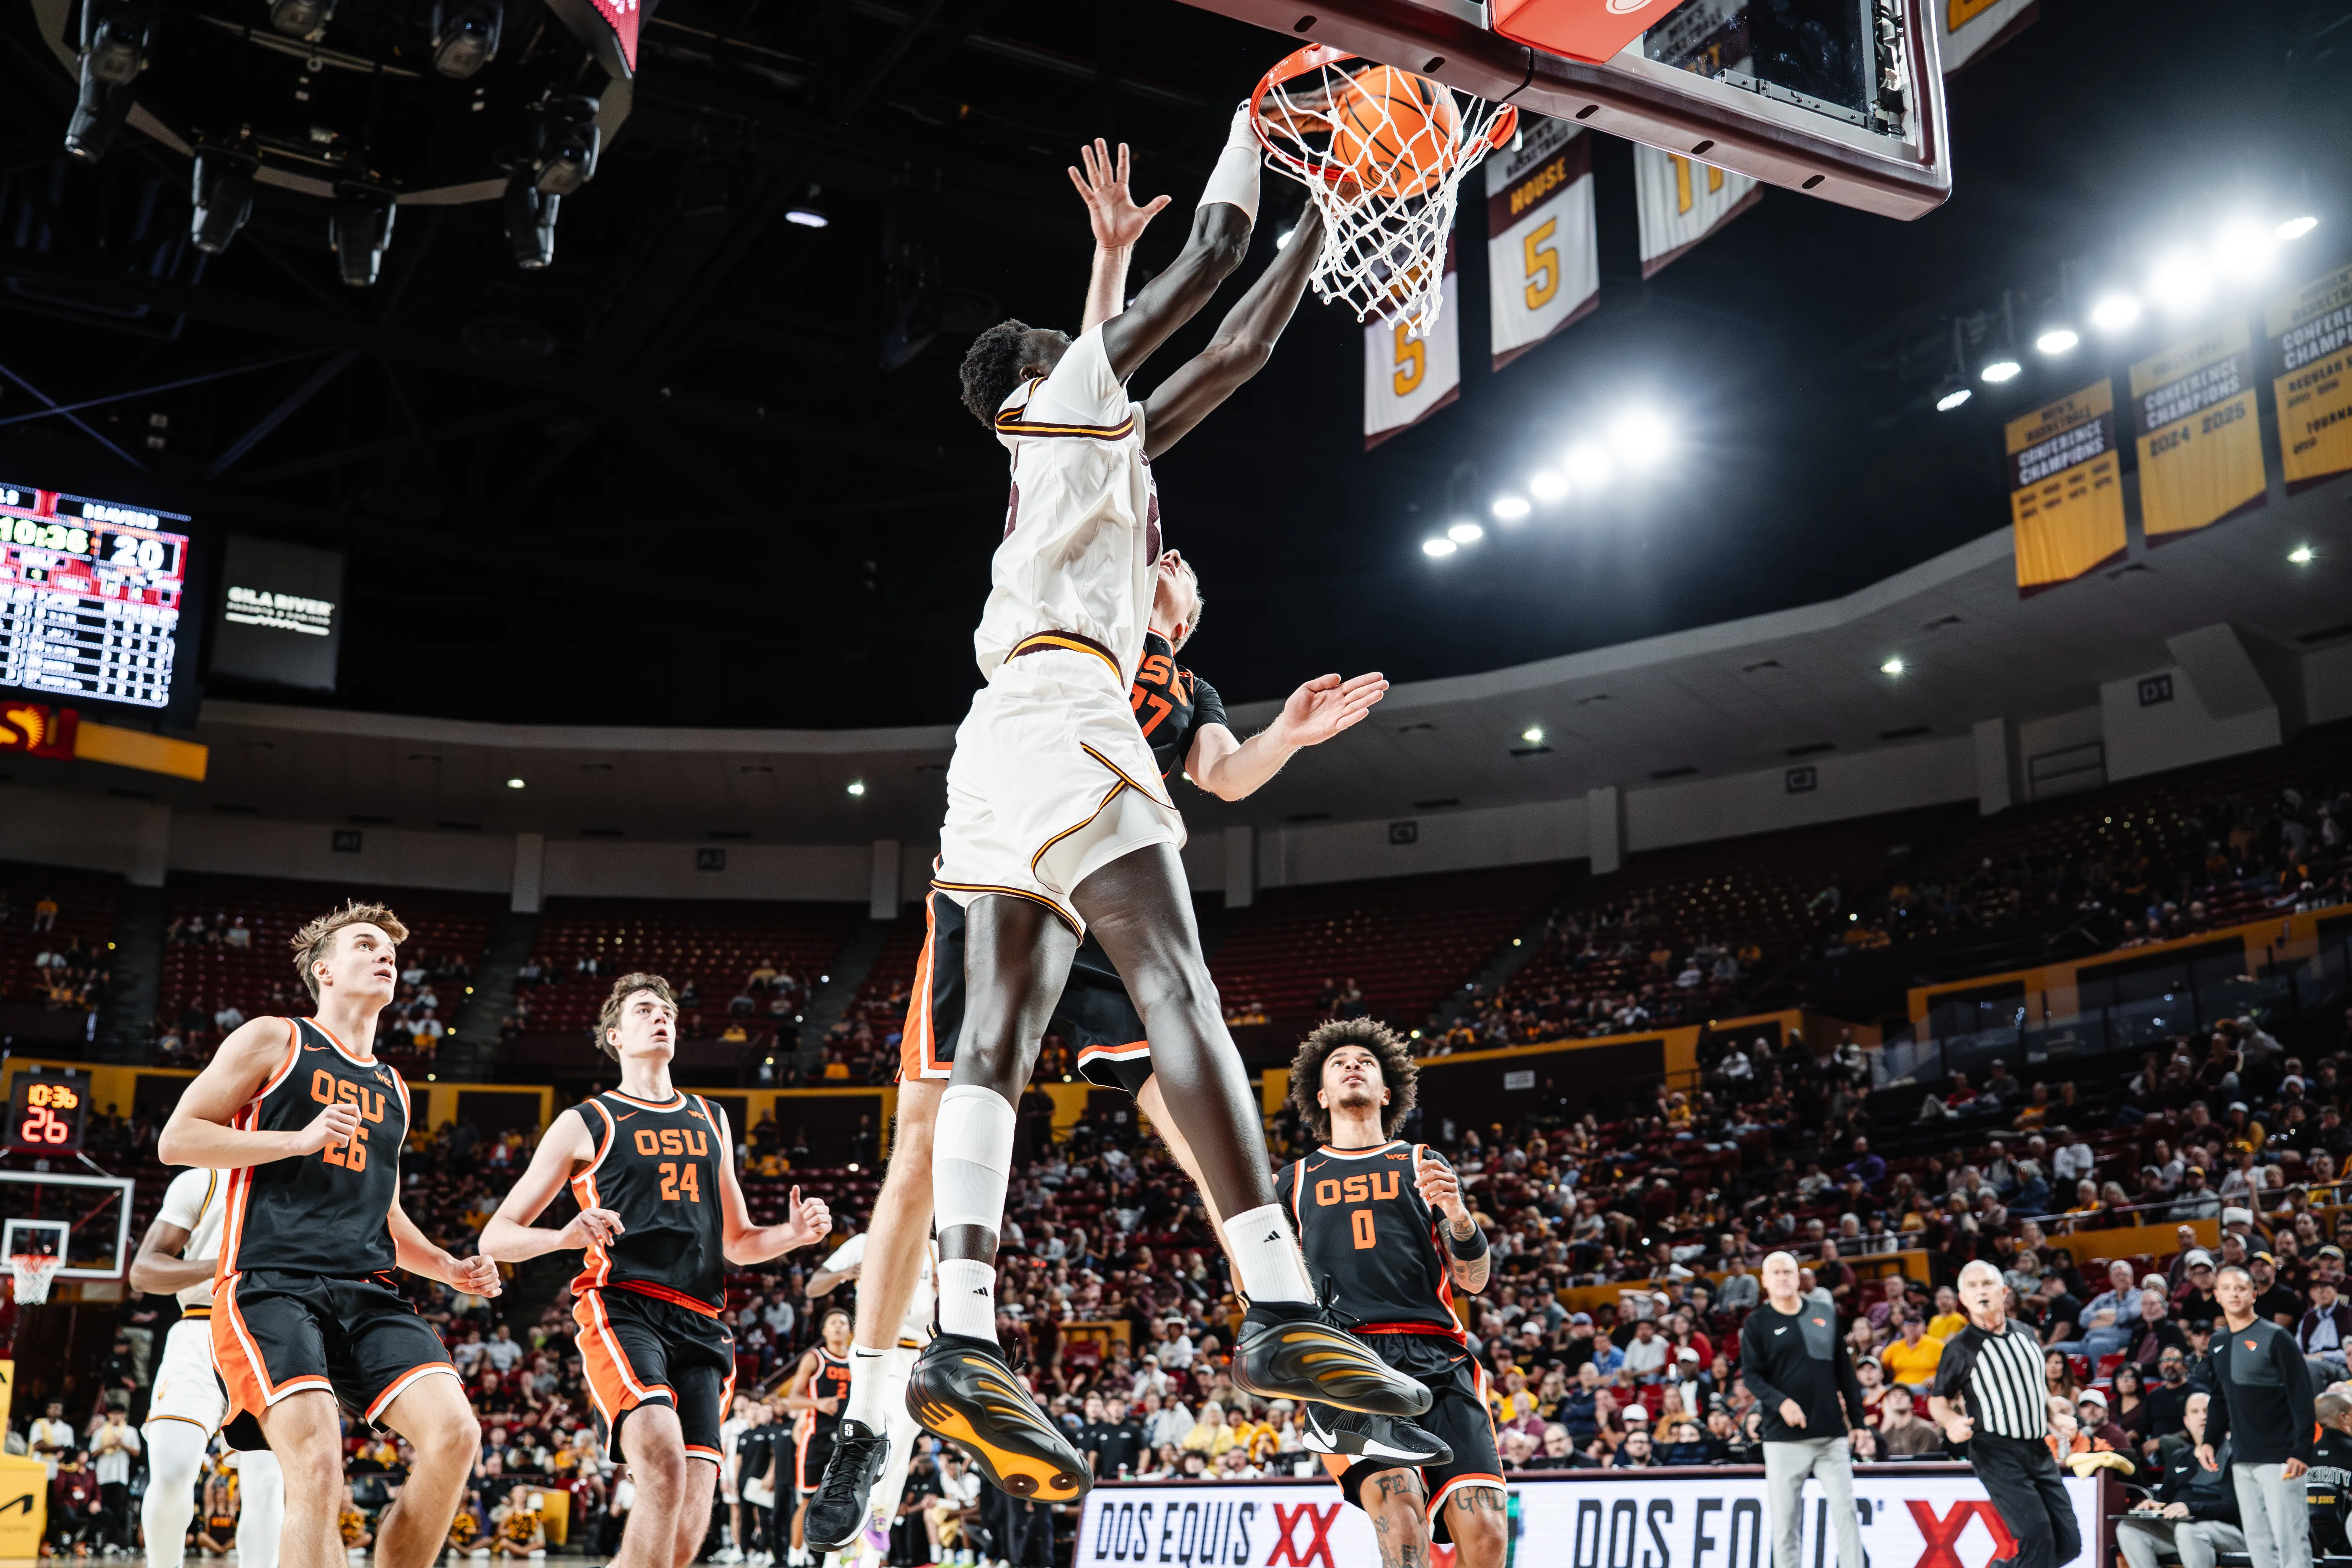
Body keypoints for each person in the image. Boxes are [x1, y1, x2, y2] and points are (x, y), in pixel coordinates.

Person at [819, 119, 1416, 1528]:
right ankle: (1272, 1301)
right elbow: (1210, 282)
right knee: (1176, 988)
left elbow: (1221, 360)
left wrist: (1310, 237)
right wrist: (1266, 139)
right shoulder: (1071, 415)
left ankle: (963, 1337)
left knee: (1001, 1048)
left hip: (1003, 772)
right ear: (1041, 382)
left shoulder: (1099, 485)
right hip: (1060, 733)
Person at [157, 901, 499, 1568]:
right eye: (365, 944)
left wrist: (447, 1266)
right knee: (315, 1462)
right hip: (269, 1283)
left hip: (367, 1289)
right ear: (324, 970)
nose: (385, 955)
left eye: (390, 951)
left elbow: (387, 1214)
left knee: (457, 1433)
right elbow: (177, 1139)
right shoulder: (275, 1039)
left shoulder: (395, 1085)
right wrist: (296, 1139)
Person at [480, 974, 831, 1568]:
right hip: (623, 1306)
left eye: (667, 1009)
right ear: (615, 1035)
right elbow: (497, 1234)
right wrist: (563, 1234)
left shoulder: (709, 1116)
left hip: (700, 1318)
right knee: (662, 1462)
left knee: (688, 1527)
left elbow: (740, 1242)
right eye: (645, 1009)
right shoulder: (586, 1120)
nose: (661, 1016)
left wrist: (792, 1234)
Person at [1270, 1021, 1508, 1568]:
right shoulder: (1293, 1180)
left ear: (1386, 1090)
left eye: (1365, 1060)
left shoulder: (1420, 1161)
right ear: (1321, 1094)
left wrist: (1458, 1215)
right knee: (1401, 1519)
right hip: (1347, 1359)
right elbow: (1262, 1281)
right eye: (1338, 1061)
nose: (1352, 1063)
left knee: (1487, 1532)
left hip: (1438, 1354)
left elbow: (1472, 1279)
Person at [131, 1165, 288, 1568]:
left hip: (272, 1337)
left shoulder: (311, 1179)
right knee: (171, 1473)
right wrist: (224, 1264)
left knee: (267, 1484)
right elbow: (143, 1271)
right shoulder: (205, 1179)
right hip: (200, 1327)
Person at [1929, 1260, 2080, 1568]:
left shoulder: (2027, 1333)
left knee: (2069, 1543)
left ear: (2004, 1292)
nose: (1980, 1291)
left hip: (2038, 1448)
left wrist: (2054, 1416)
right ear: (1963, 1298)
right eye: (1971, 1287)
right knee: (2037, 1537)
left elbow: (2036, 1387)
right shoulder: (1959, 1348)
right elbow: (1937, 1401)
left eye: (1986, 1284)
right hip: (1996, 1451)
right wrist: (1951, 1421)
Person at [805, 1229, 935, 1563]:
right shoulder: (865, 1242)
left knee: (901, 1438)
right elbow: (813, 1286)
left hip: (920, 1354)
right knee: (896, 1425)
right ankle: (872, 1511)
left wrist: (946, 1291)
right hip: (877, 1349)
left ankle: (865, 1515)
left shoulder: (936, 1249)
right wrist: (844, 1273)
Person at [1740, 1250, 1869, 1568]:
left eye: (1788, 1271)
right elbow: (1751, 1376)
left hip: (1830, 1436)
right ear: (1765, 1281)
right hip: (1783, 1440)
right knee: (1785, 1522)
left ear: (1799, 1277)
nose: (1783, 1277)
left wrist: (1858, 1422)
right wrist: (1781, 1402)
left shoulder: (1824, 1313)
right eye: (1776, 1272)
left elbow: (1844, 1372)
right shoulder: (1757, 1322)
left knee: (1846, 1512)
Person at [2201, 1264, 2315, 1568]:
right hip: (2242, 1456)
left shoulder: (2276, 1337)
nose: (2233, 1293)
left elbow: (2302, 1395)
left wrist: (2301, 1450)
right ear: (2216, 1296)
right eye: (2226, 1288)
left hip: (2281, 1457)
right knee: (2256, 1538)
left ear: (2253, 1294)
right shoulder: (2216, 1342)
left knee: (2290, 1537)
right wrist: (2208, 1440)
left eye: (2240, 1288)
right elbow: (2218, 1395)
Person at [2118, 1392, 2244, 1568]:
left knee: (2188, 1530)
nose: (2203, 1416)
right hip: (2183, 1528)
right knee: (2128, 1529)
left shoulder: (2234, 1452)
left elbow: (2234, 1504)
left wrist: (2189, 1508)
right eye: (2195, 1412)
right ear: (2186, 1421)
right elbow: (2165, 1499)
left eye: (2208, 1411)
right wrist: (2153, 1505)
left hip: (2229, 1531)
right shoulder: (2179, 1457)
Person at [781, 1310, 856, 1562]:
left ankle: (836, 1559)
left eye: (843, 1323)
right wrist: (819, 1403)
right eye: (833, 1323)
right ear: (824, 1331)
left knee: (844, 1501)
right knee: (807, 1500)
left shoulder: (857, 1359)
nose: (838, 1327)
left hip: (847, 1439)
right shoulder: (816, 1358)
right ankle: (795, 1556)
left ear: (850, 1330)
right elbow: (792, 1400)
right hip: (816, 1438)